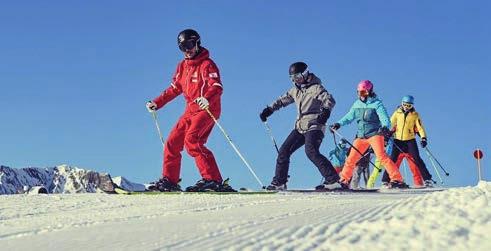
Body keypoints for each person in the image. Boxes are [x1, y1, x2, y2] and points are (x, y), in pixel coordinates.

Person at [146, 29, 235, 192]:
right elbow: (174, 89)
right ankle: (170, 180)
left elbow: (217, 86)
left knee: (192, 141)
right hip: (190, 111)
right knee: (172, 142)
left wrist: (206, 98)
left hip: (207, 109)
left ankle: (213, 179)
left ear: (197, 43)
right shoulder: (182, 67)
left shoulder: (207, 64)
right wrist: (157, 102)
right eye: (182, 47)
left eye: (189, 45)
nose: (187, 50)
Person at [260, 62, 340, 190]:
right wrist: (269, 109)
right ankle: (280, 182)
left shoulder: (316, 88)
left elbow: (329, 100)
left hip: (315, 124)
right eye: (292, 78)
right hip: (300, 126)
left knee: (311, 151)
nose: (295, 80)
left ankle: (333, 180)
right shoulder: (295, 90)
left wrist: (325, 112)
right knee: (284, 151)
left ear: (305, 74)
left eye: (297, 77)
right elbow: (282, 100)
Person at [330, 80, 409, 189]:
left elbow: (384, 117)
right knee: (351, 159)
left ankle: (398, 180)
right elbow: (349, 117)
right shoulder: (357, 104)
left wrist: (385, 127)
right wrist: (338, 123)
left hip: (375, 134)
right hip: (361, 136)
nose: (361, 95)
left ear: (369, 92)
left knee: (382, 156)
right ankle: (344, 180)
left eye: (363, 93)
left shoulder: (377, 103)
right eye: (359, 92)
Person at [381, 95, 434, 187]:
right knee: (392, 159)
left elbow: (420, 128)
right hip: (398, 140)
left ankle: (427, 179)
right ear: (402, 103)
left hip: (410, 141)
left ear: (412, 105)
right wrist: (386, 131)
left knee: (417, 159)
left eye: (409, 105)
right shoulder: (397, 113)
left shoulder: (415, 115)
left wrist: (423, 138)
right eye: (405, 104)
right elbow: (391, 123)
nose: (406, 107)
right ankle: (386, 180)